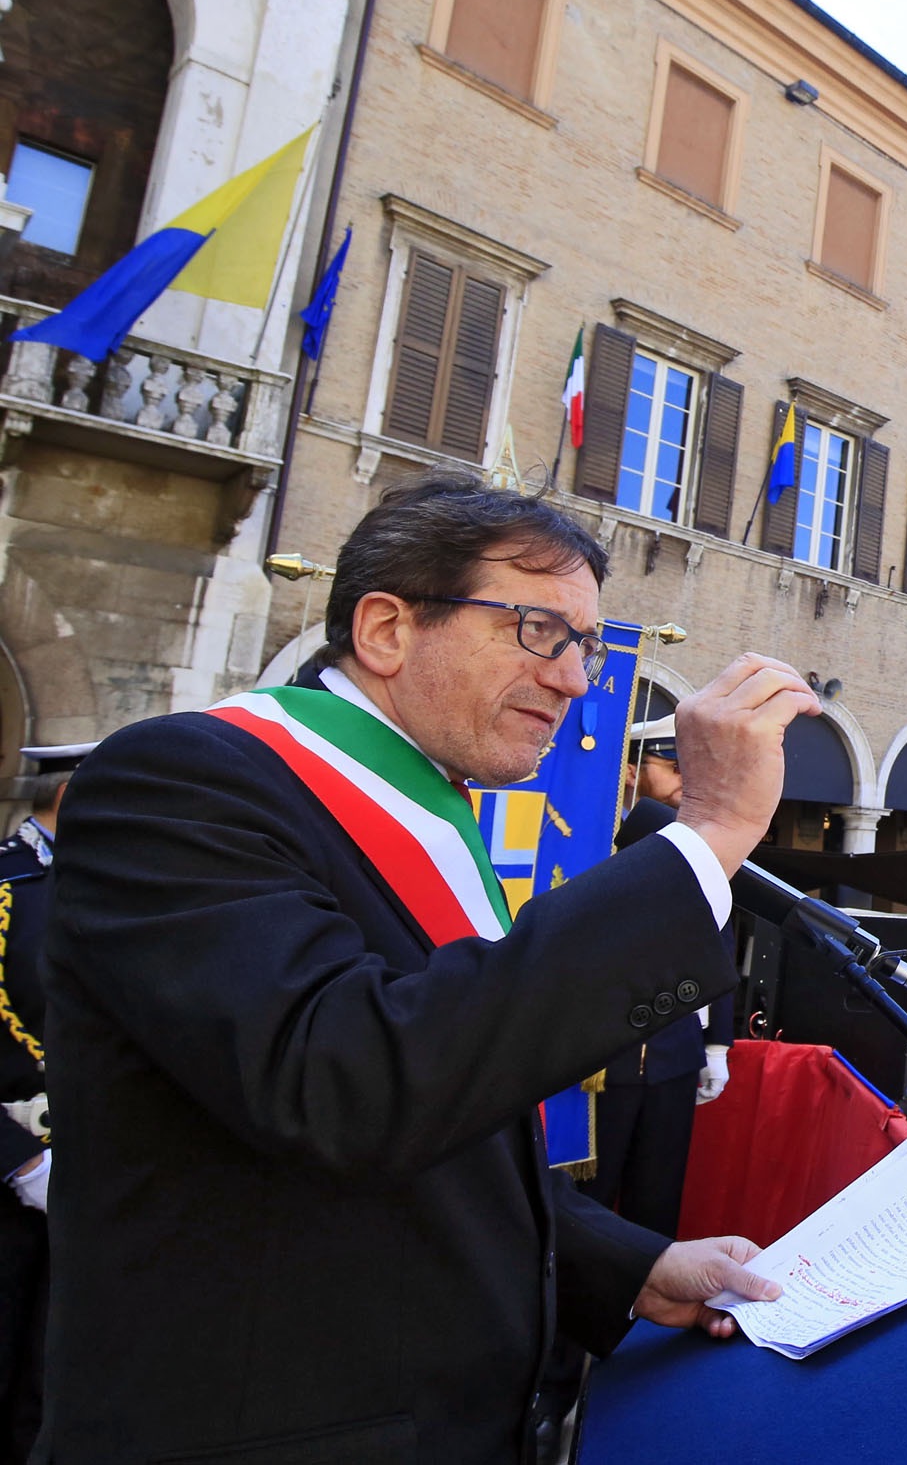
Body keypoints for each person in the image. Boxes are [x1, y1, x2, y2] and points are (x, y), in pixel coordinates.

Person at [40, 476, 799, 1460]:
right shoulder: (179, 782)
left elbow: (450, 1136)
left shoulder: (437, 810)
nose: (576, 680)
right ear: (389, 628)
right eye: (538, 629)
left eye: (585, 644)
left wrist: (633, 1264)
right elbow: (345, 1083)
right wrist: (706, 834)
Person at [584, 712, 735, 1241]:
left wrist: (716, 1044)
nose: (685, 782)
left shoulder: (692, 844)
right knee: (592, 1201)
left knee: (658, 1200)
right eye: (672, 766)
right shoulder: (592, 839)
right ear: (631, 771)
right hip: (603, 1061)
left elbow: (719, 939)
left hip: (673, 1053)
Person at [0, 740, 86, 1460]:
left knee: (47, 1382)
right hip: (11, 1175)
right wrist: (24, 1161)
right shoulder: (8, 888)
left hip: (85, 1178)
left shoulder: (105, 891)